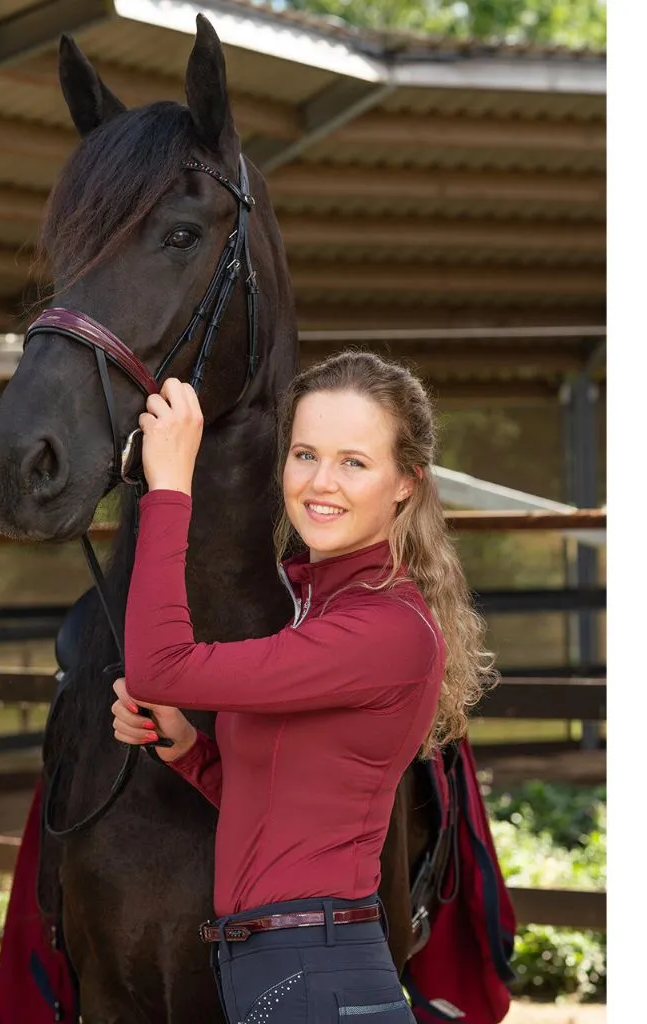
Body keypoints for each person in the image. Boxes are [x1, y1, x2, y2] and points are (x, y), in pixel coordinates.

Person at [111, 350, 493, 1024]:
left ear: (406, 482)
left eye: (354, 462)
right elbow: (285, 808)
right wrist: (189, 751)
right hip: (279, 968)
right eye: (306, 454)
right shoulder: (321, 608)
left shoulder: (385, 629)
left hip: (314, 973)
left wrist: (169, 486)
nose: (321, 482)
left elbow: (158, 666)